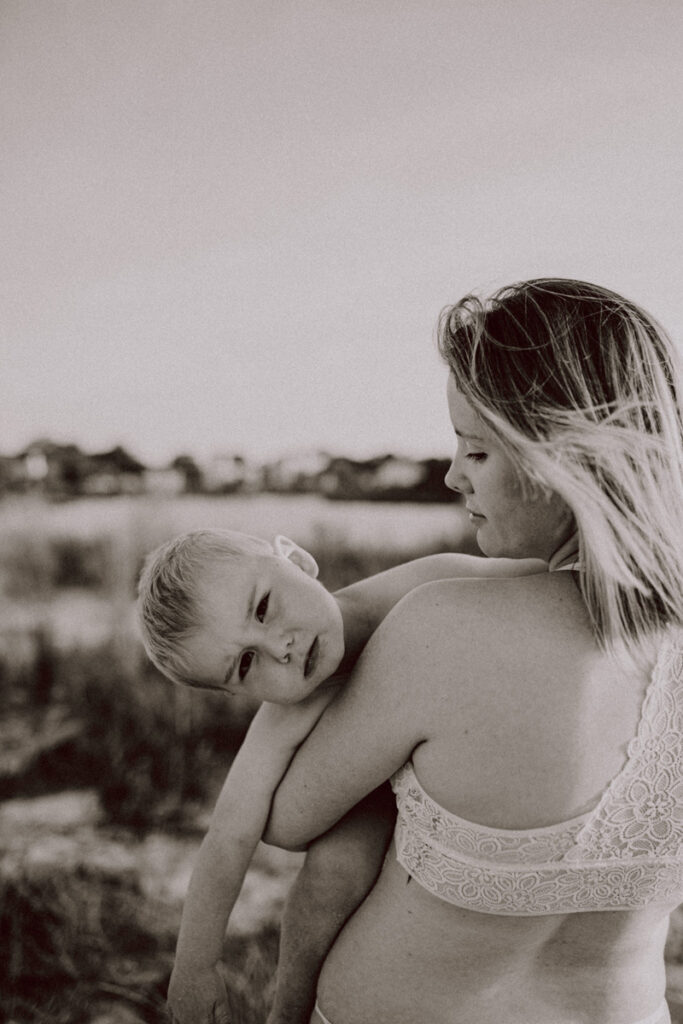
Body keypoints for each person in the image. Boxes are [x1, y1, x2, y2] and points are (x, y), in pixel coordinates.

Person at [256, 278, 683, 1024]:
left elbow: (286, 818)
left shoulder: (443, 625)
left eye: (476, 449)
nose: (453, 475)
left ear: (558, 460)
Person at [136, 528, 544, 1024]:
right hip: (378, 795)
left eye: (263, 608)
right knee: (332, 868)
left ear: (298, 560)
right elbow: (227, 836)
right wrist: (195, 965)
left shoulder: (422, 589)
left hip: (475, 764)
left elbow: (542, 584)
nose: (278, 648)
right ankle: (289, 1012)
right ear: (233, 696)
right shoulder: (284, 716)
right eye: (245, 664)